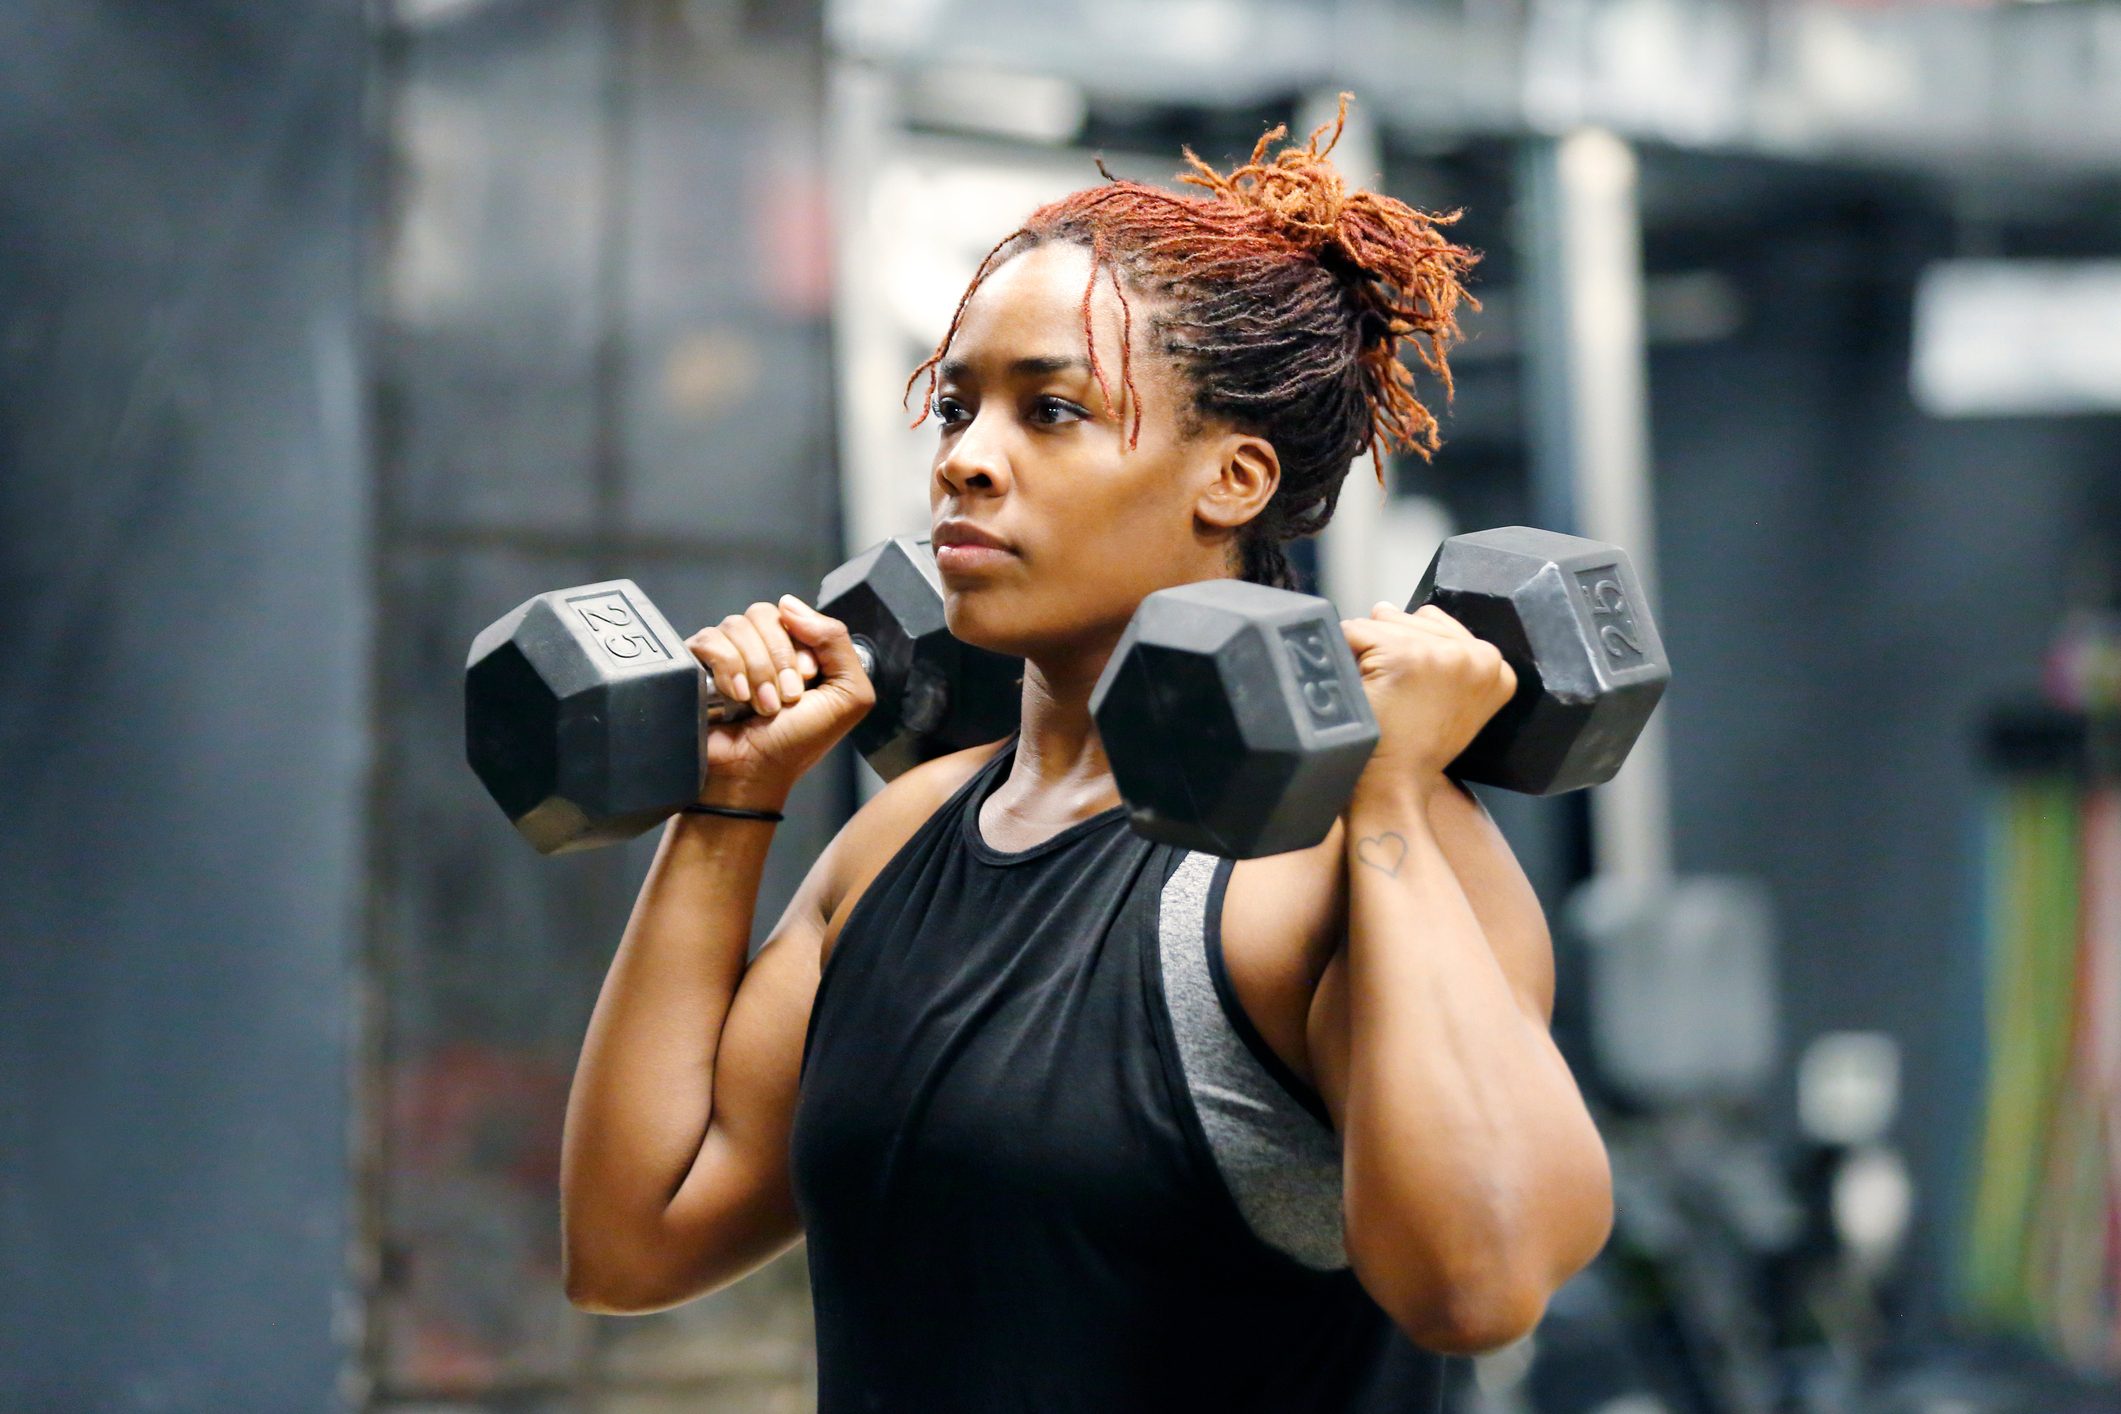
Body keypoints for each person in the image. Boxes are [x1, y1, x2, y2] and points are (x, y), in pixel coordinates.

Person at [558, 94, 1613, 1411]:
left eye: (1047, 412)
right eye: (955, 409)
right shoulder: (897, 837)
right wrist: (728, 803)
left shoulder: (1334, 848)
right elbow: (630, 1237)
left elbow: (1480, 1283)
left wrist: (1393, 788)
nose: (966, 465)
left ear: (1227, 479)